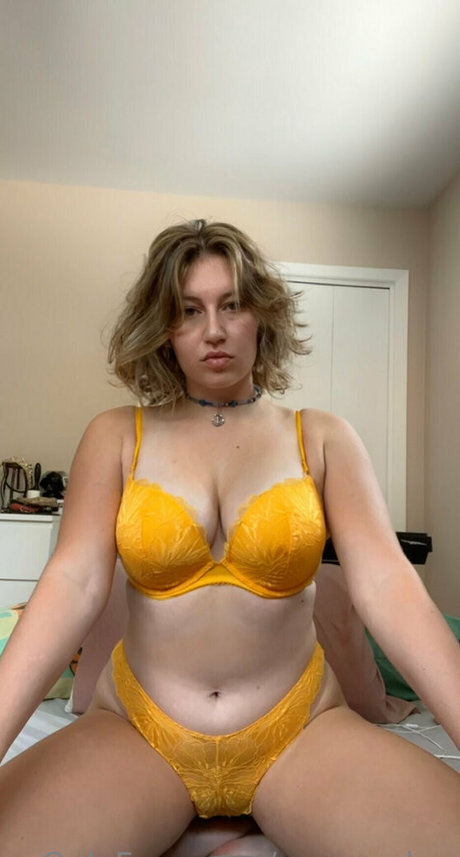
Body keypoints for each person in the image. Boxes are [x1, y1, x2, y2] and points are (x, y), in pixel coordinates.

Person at [0, 219, 459, 857]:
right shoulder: (116, 434)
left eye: (232, 305)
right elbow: (73, 583)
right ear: (164, 328)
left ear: (262, 315)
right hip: (138, 733)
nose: (213, 330)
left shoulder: (323, 436)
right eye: (189, 311)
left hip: (300, 734)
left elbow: (387, 585)